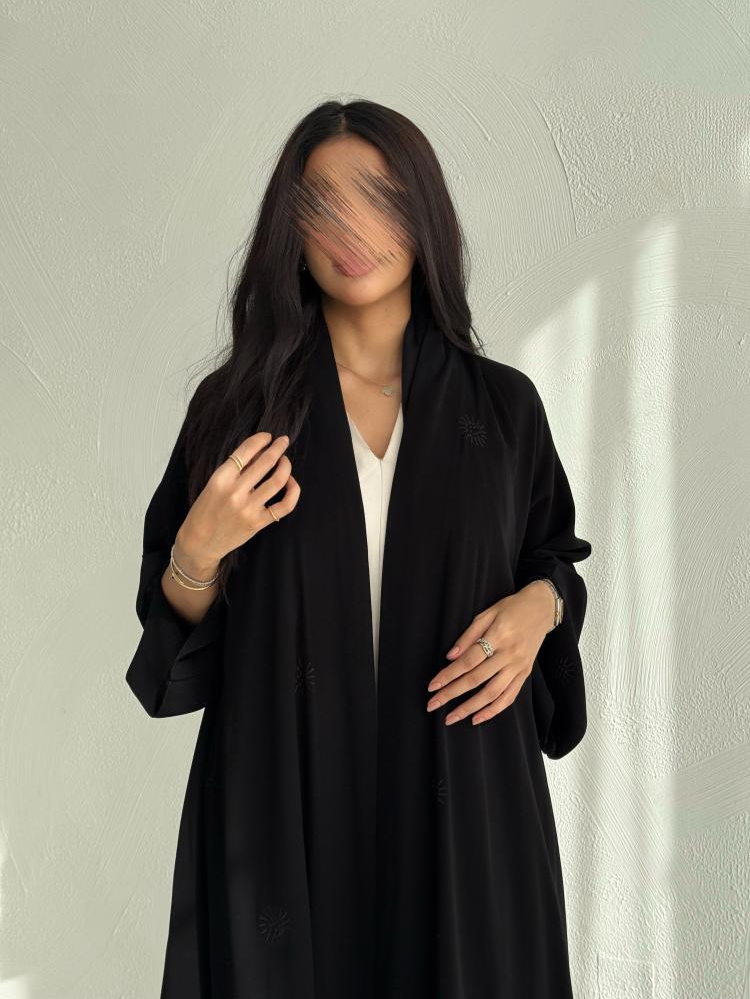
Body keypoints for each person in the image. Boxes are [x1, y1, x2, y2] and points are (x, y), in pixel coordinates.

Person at [126, 98, 592, 999]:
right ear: (288, 233)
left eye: (380, 199)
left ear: (424, 215)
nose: (353, 232)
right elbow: (175, 647)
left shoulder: (502, 409)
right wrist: (198, 551)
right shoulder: (237, 409)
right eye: (322, 206)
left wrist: (544, 606)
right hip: (284, 812)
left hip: (467, 814)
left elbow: (552, 556)